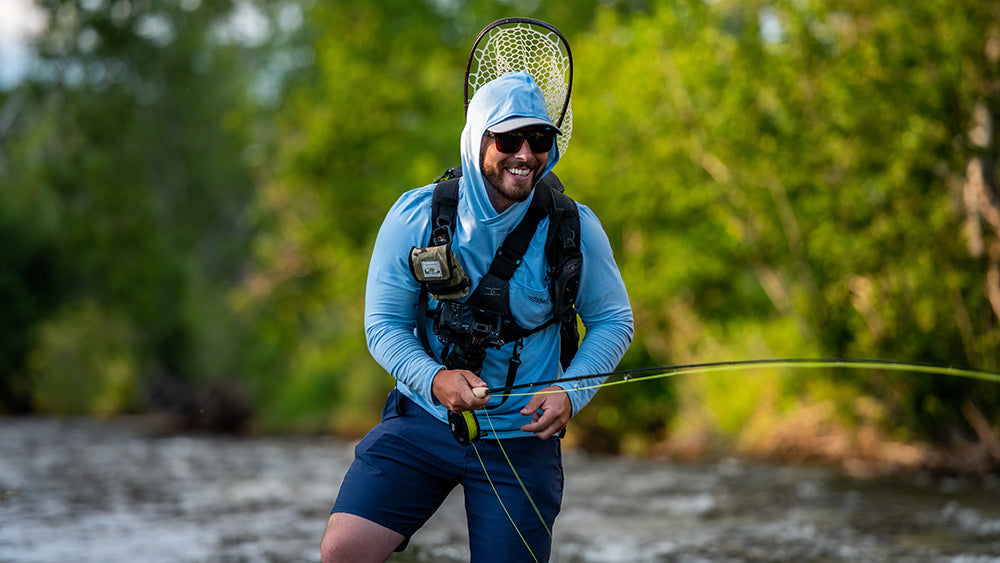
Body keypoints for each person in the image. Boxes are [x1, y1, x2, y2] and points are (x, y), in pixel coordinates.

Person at [320, 71, 633, 563]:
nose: (525, 154)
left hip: (522, 439)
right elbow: (383, 326)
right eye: (508, 138)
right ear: (476, 139)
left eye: (539, 138)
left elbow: (614, 320)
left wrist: (572, 391)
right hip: (423, 419)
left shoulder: (576, 228)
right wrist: (435, 378)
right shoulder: (414, 217)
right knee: (344, 552)